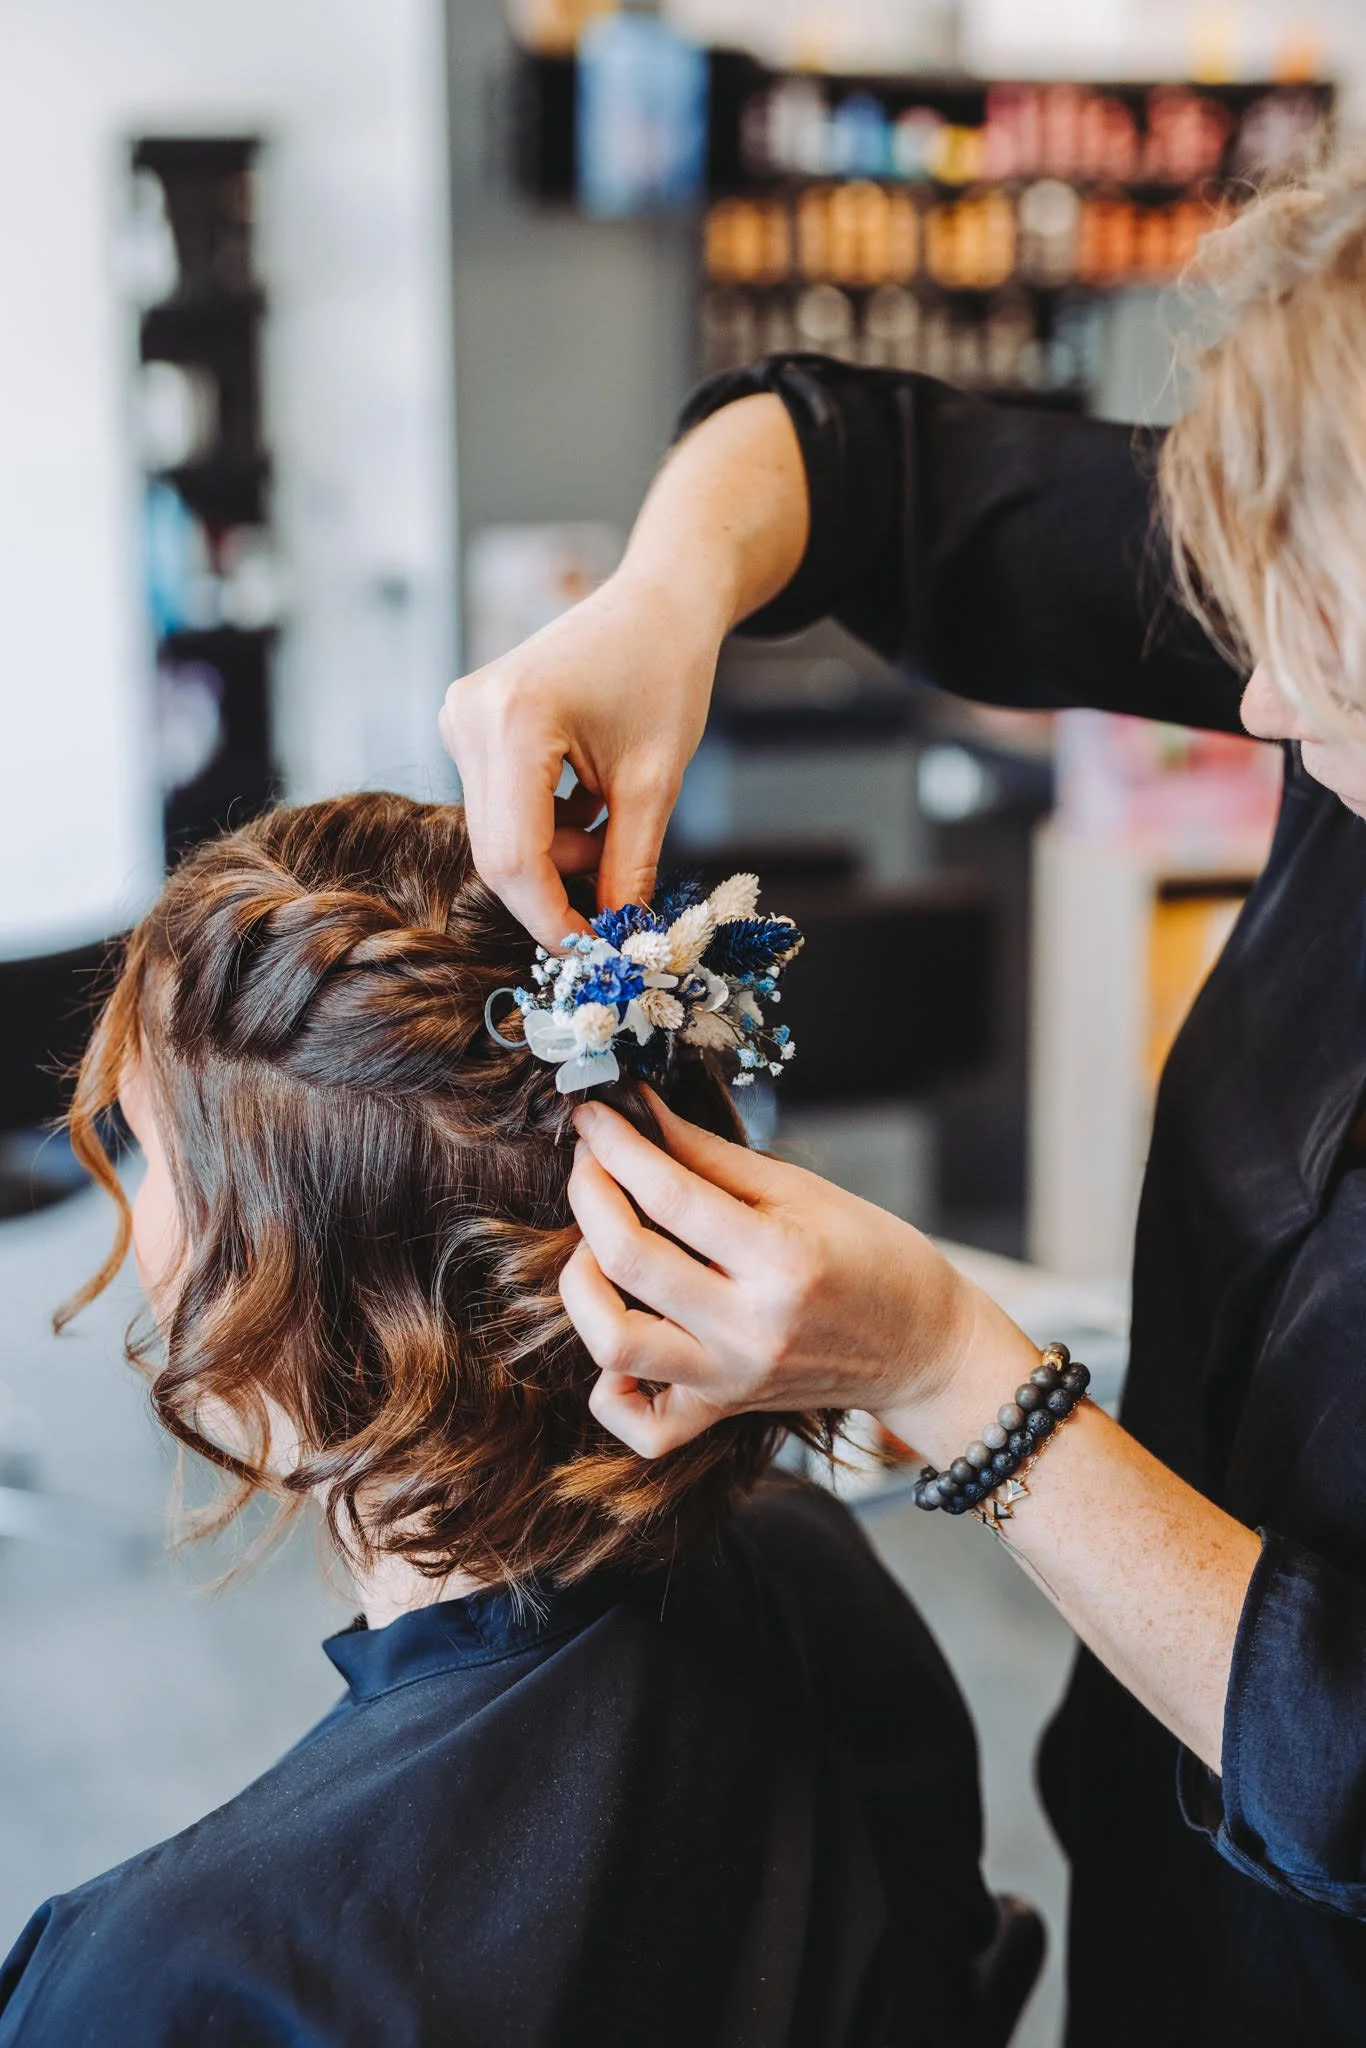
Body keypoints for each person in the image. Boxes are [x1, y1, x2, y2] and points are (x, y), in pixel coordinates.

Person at [440, 160, 1366, 2046]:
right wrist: (665, 596)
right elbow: (853, 461)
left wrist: (956, 1374)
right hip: (1159, 1853)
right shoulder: (1327, 629)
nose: (1256, 699)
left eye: (1327, 642)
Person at [0, 792, 1003, 2047]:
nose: (128, 1219)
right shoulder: (815, 1565)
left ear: (293, 1302)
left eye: (146, 1152)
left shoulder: (162, 1982)